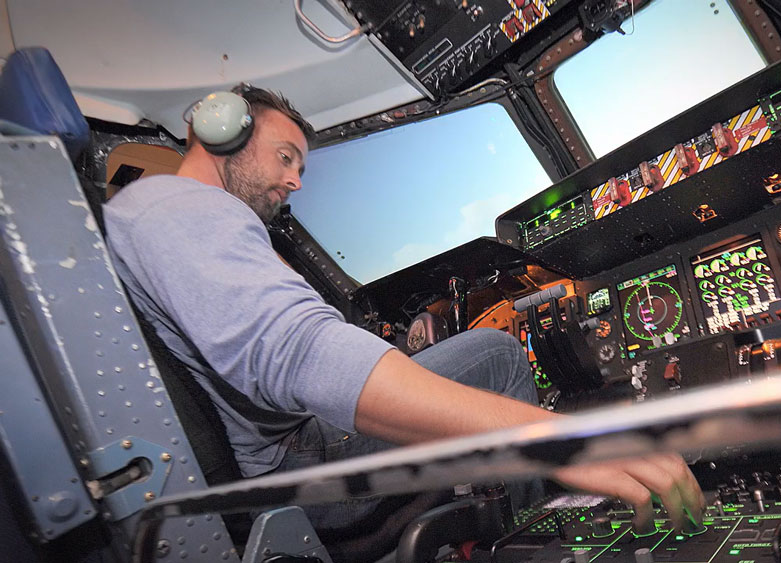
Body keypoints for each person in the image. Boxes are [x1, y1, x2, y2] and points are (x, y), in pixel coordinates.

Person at [103, 85, 704, 556]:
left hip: (279, 448)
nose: (294, 180)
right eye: (285, 157)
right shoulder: (182, 209)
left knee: (489, 352)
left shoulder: (146, 214)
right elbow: (300, 353)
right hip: (295, 468)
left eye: (301, 167)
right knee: (498, 356)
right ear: (218, 130)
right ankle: (530, 537)